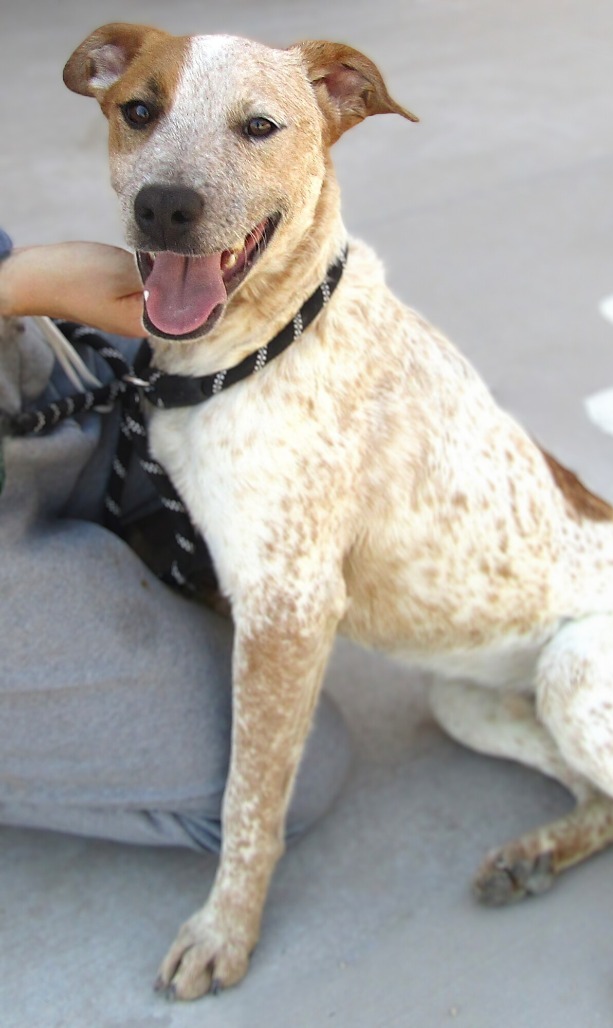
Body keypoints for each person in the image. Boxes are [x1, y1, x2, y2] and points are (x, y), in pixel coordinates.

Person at [0, 232, 350, 852]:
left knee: (295, 390)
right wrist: (24, 286)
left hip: (22, 347)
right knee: (294, 771)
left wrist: (21, 287)